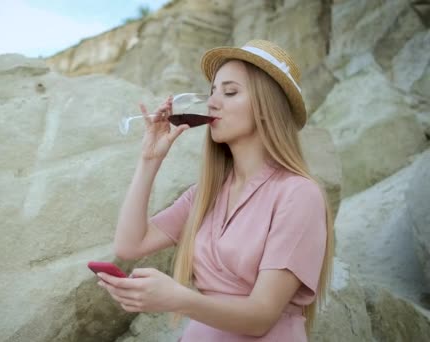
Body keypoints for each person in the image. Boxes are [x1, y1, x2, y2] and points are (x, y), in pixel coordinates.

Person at [96, 39, 334, 341]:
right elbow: (129, 245)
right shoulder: (205, 193)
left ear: (266, 108)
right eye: (212, 92)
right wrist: (149, 160)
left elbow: (261, 317)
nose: (212, 102)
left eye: (230, 92)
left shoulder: (298, 194)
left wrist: (178, 298)